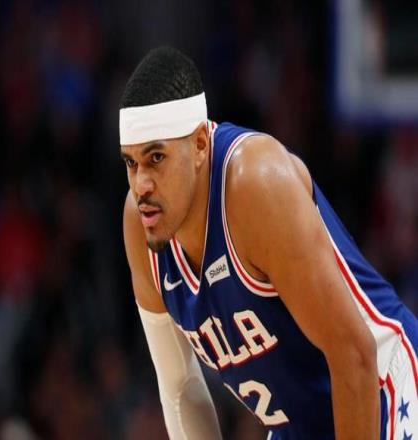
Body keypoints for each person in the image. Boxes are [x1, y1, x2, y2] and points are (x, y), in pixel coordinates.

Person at [120, 46, 418, 440]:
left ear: (200, 145)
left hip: (383, 387)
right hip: (302, 426)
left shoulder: (255, 183)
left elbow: (354, 353)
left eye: (156, 158)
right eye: (131, 163)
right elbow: (181, 388)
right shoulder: (141, 222)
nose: (141, 184)